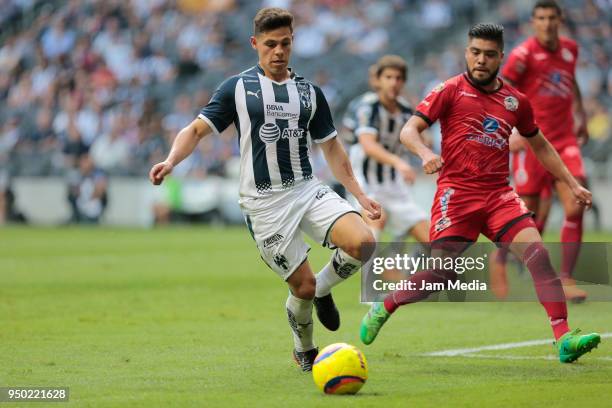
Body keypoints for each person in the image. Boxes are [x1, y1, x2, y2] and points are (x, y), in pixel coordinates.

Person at [149, 8, 381, 372]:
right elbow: (195, 130)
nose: (278, 51)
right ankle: (304, 347)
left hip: (306, 189)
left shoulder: (308, 93)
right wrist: (171, 161)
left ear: (293, 42)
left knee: (363, 243)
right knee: (300, 289)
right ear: (255, 44)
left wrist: (360, 194)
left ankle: (324, 288)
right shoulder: (237, 88)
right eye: (270, 44)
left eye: (285, 43)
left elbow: (332, 148)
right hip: (264, 204)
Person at [359, 23, 601, 363]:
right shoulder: (449, 90)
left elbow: (540, 145)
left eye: (489, 54)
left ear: (500, 56)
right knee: (440, 274)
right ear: (466, 53)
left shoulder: (516, 101)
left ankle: (563, 338)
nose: (481, 60)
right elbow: (409, 130)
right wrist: (426, 154)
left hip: (499, 196)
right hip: (456, 197)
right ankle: (385, 305)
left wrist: (572, 183)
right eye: (475, 52)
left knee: (538, 256)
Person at [491, 0, 589, 302]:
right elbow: (501, 89)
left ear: (559, 20)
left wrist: (581, 113)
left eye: (551, 17)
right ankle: (500, 261)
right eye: (541, 18)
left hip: (564, 139)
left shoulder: (570, 49)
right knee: (529, 216)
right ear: (534, 22)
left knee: (575, 202)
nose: (546, 23)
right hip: (533, 141)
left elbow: (571, 82)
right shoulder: (522, 55)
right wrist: (514, 131)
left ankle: (566, 279)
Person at [352, 55, 429, 245]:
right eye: (388, 77)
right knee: (377, 223)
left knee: (432, 241)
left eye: (398, 78)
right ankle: (373, 273)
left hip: (395, 186)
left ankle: (416, 269)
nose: (393, 83)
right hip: (367, 183)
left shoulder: (405, 110)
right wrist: (399, 162)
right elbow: (368, 145)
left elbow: (421, 140)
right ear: (378, 80)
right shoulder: (367, 106)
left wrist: (425, 151)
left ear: (403, 82)